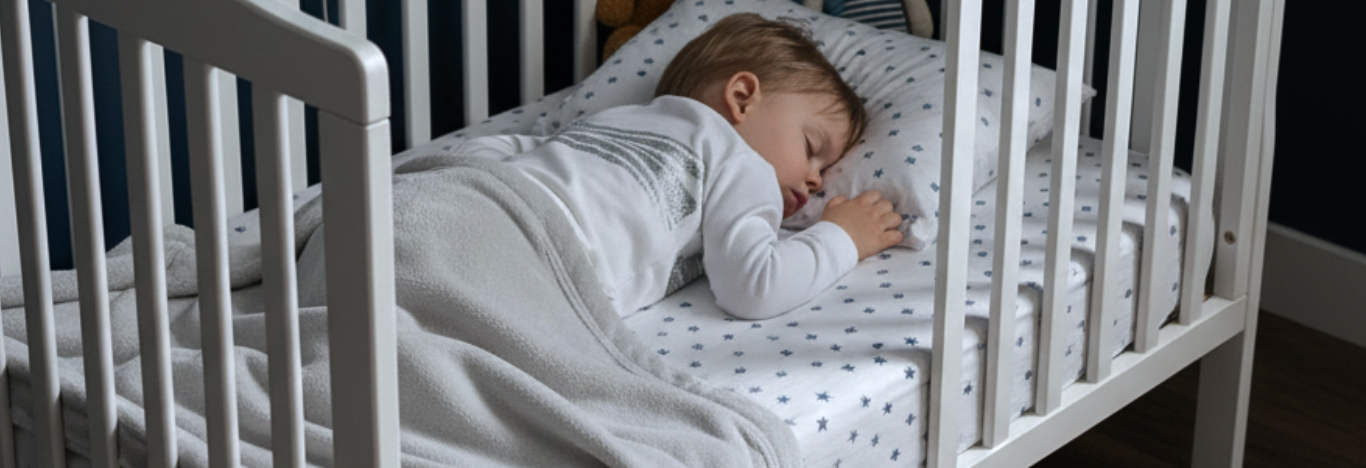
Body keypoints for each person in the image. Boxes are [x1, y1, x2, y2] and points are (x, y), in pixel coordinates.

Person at [452, 13, 902, 319]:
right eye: (811, 147)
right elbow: (753, 286)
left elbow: (507, 152)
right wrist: (843, 237)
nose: (816, 178)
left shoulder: (614, 118)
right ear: (742, 97)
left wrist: (464, 178)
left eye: (825, 169)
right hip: (536, 260)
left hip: (485, 211)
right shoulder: (741, 163)